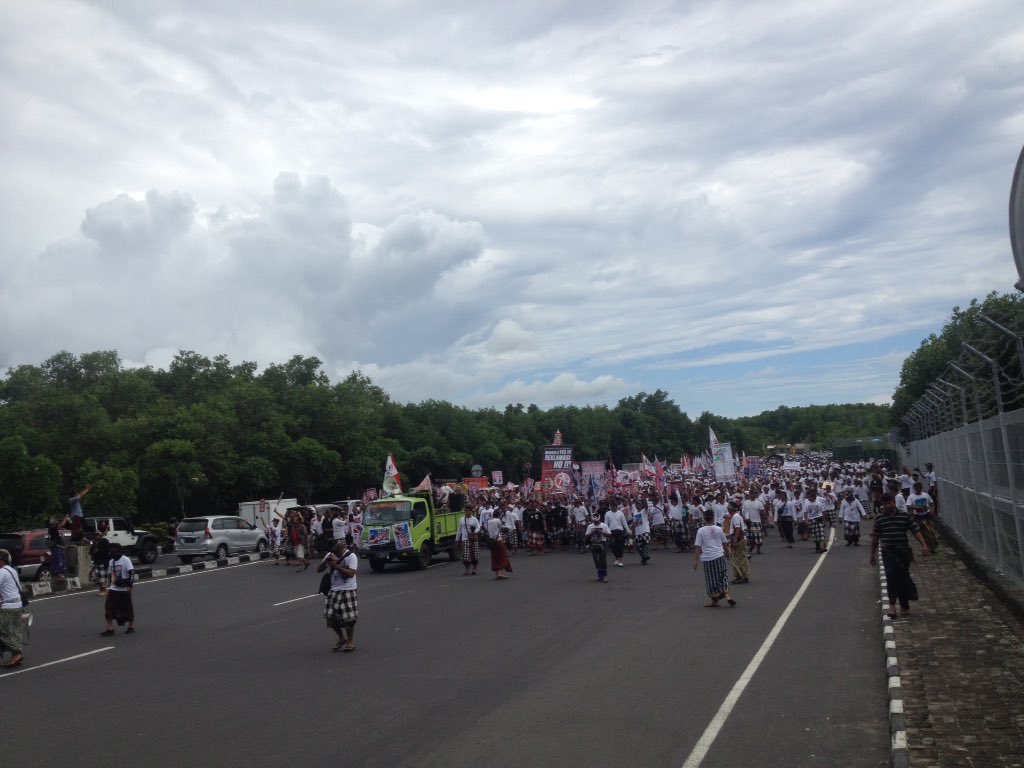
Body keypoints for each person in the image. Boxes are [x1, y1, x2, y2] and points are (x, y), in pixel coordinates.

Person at [869, 493, 929, 618]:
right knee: (891, 578)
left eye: (889, 503)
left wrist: (923, 544)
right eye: (884, 504)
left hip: (902, 552)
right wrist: (872, 554)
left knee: (903, 577)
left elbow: (915, 530)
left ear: (894, 502)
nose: (887, 506)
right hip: (888, 552)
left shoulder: (904, 516)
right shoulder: (880, 519)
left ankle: (904, 605)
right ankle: (892, 607)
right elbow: (875, 537)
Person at [318, 537, 358, 652]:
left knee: (349, 618)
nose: (335, 553)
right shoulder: (331, 555)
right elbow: (318, 570)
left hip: (348, 589)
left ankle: (350, 641)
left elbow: (351, 574)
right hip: (334, 589)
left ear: (342, 548)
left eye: (337, 551)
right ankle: (341, 637)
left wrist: (335, 565)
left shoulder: (351, 556)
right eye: (334, 551)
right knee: (329, 616)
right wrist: (326, 562)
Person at [693, 509, 735, 608]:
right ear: (713, 518)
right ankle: (727, 594)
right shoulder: (718, 529)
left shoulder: (701, 530)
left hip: (708, 558)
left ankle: (715, 601)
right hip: (719, 556)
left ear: (704, 519)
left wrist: (695, 560)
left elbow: (698, 547)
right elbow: (725, 543)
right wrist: (727, 553)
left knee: (712, 580)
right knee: (722, 575)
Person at [101, 543, 135, 635]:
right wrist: (109, 585)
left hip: (124, 589)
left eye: (114, 552)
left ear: (119, 551)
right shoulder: (111, 561)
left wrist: (130, 586)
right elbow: (110, 574)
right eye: (111, 552)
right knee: (108, 608)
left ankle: (131, 626)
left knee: (127, 608)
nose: (113, 554)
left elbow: (132, 573)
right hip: (114, 588)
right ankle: (110, 629)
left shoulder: (126, 560)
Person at [0, 549, 26, 667]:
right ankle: (16, 653)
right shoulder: (11, 570)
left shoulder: (2, 572)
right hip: (17, 605)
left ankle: (16, 653)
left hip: (8, 607)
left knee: (4, 632)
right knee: (13, 631)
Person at [584, 513, 611, 582]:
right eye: (594, 521)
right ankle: (600, 576)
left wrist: (601, 532)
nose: (596, 522)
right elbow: (586, 536)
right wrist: (593, 533)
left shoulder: (604, 525)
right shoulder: (590, 526)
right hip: (594, 543)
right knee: (596, 559)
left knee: (603, 559)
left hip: (602, 543)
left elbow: (609, 534)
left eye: (597, 521)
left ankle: (604, 576)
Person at [487, 511, 512, 580]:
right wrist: (508, 529)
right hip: (498, 540)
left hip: (491, 541)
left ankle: (497, 573)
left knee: (495, 557)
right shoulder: (498, 520)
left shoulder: (489, 521)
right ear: (499, 515)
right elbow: (502, 528)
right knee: (502, 557)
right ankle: (501, 573)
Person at [455, 509, 481, 576]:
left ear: (471, 511)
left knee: (475, 555)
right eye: (465, 510)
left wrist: (474, 532)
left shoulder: (474, 519)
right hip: (465, 539)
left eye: (468, 510)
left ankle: (474, 569)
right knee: (466, 556)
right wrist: (457, 539)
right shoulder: (461, 519)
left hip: (473, 539)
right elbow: (459, 529)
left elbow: (478, 527)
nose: (467, 512)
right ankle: (467, 569)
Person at [604, 502, 630, 568]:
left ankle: (620, 560)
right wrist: (605, 532)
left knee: (620, 546)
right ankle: (617, 557)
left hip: (620, 531)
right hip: (611, 531)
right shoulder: (607, 513)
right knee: (612, 546)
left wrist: (628, 530)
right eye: (612, 505)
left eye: (615, 505)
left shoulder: (620, 513)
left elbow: (624, 522)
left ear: (617, 506)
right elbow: (605, 524)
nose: (613, 506)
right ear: (610, 506)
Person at [729, 505, 750, 583]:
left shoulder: (735, 517)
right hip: (739, 539)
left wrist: (735, 541)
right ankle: (742, 576)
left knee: (739, 560)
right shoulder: (735, 516)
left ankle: (741, 577)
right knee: (741, 559)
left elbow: (738, 529)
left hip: (739, 540)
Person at [90, 522, 111, 595]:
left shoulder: (104, 541)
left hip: (103, 561)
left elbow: (107, 550)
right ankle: (100, 589)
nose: (96, 536)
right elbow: (91, 552)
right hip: (96, 562)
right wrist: (93, 552)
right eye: (95, 535)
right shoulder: (94, 543)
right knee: (97, 577)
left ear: (100, 535)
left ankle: (104, 590)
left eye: (97, 535)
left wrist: (98, 551)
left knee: (103, 577)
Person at [47, 513, 69, 581]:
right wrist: (66, 517)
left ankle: (57, 576)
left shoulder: (52, 529)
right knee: (59, 561)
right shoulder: (52, 528)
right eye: (55, 520)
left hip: (57, 547)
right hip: (57, 547)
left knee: (58, 561)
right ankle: (58, 576)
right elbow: (62, 524)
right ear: (52, 523)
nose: (56, 521)